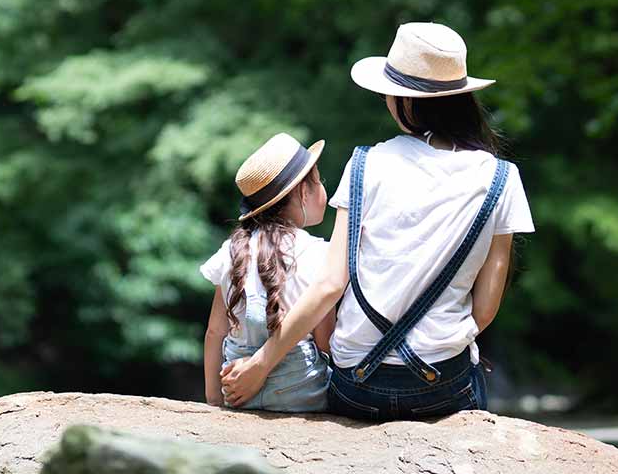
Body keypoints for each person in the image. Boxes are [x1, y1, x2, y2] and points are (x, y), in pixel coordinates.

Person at [221, 22, 533, 420]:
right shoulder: (502, 178)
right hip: (443, 384)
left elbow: (330, 285)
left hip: (359, 386)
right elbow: (485, 310)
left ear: (406, 102)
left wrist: (261, 364)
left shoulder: (365, 164)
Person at [201, 133, 335, 411]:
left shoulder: (231, 250)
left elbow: (215, 332)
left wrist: (214, 400)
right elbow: (324, 342)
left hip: (238, 393)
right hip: (301, 395)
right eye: (319, 180)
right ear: (303, 192)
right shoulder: (318, 253)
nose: (323, 187)